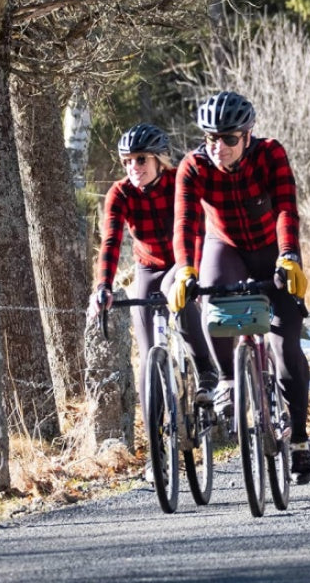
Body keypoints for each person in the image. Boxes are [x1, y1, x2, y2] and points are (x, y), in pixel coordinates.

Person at [167, 91, 310, 484]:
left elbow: (286, 207)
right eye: (212, 138)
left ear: (247, 135)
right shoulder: (194, 167)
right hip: (226, 246)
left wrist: (289, 256)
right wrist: (184, 269)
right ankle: (230, 380)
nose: (220, 147)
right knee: (212, 300)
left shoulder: (270, 154)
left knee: (287, 350)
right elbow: (184, 224)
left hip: (272, 251)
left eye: (229, 138)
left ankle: (298, 439)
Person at [88, 123, 216, 479]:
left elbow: (199, 229)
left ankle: (206, 371)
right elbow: (111, 241)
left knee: (182, 303)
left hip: (183, 260)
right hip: (147, 268)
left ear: (159, 160)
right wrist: (104, 285)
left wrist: (194, 273)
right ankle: (156, 451)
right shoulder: (121, 194)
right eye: (127, 160)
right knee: (148, 360)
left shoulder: (179, 182)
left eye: (141, 159)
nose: (134, 167)